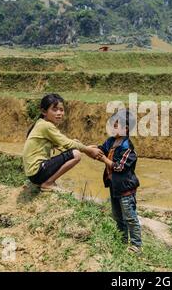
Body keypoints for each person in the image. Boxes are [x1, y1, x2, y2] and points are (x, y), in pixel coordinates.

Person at [23, 93, 103, 192]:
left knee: (75, 146)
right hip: (37, 172)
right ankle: (47, 183)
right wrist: (87, 150)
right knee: (76, 155)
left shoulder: (41, 123)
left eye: (61, 109)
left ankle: (45, 181)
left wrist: (85, 148)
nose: (59, 113)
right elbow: (67, 144)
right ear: (44, 111)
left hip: (33, 174)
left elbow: (65, 146)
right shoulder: (46, 126)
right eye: (55, 109)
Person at [97, 109, 142, 253]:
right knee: (117, 216)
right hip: (114, 186)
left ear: (126, 128)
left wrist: (104, 159)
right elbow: (101, 150)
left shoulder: (127, 148)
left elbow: (119, 167)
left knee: (130, 217)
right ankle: (122, 241)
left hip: (125, 189)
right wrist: (87, 148)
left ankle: (136, 245)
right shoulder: (111, 141)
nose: (112, 128)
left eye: (115, 125)